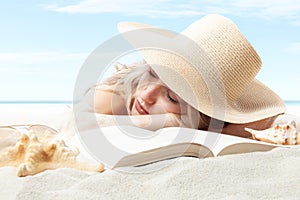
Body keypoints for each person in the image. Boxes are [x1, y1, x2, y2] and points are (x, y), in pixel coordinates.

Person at [79, 14, 300, 139]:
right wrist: (168, 121)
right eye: (152, 73)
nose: (145, 94)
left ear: (203, 111)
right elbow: (83, 120)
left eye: (172, 97)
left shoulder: (207, 120)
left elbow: (266, 124)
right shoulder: (118, 91)